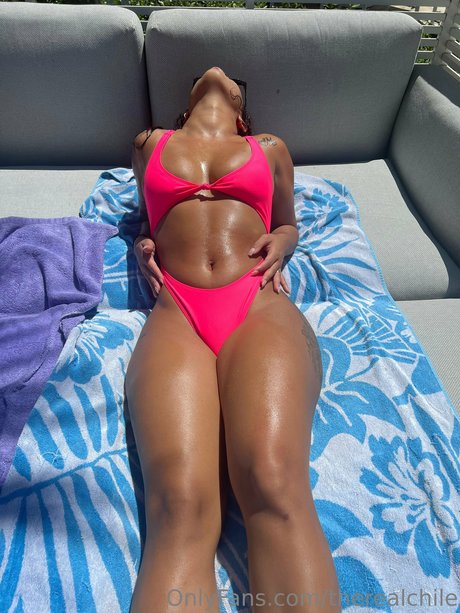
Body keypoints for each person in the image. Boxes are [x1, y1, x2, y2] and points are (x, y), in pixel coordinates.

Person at [125, 66, 342, 613]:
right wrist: (142, 246)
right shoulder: (150, 143)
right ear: (185, 103)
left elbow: (288, 223)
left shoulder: (268, 147)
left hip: (256, 302)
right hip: (177, 311)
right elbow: (148, 222)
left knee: (273, 482)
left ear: (243, 112)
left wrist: (284, 242)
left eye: (234, 80)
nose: (219, 71)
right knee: (178, 507)